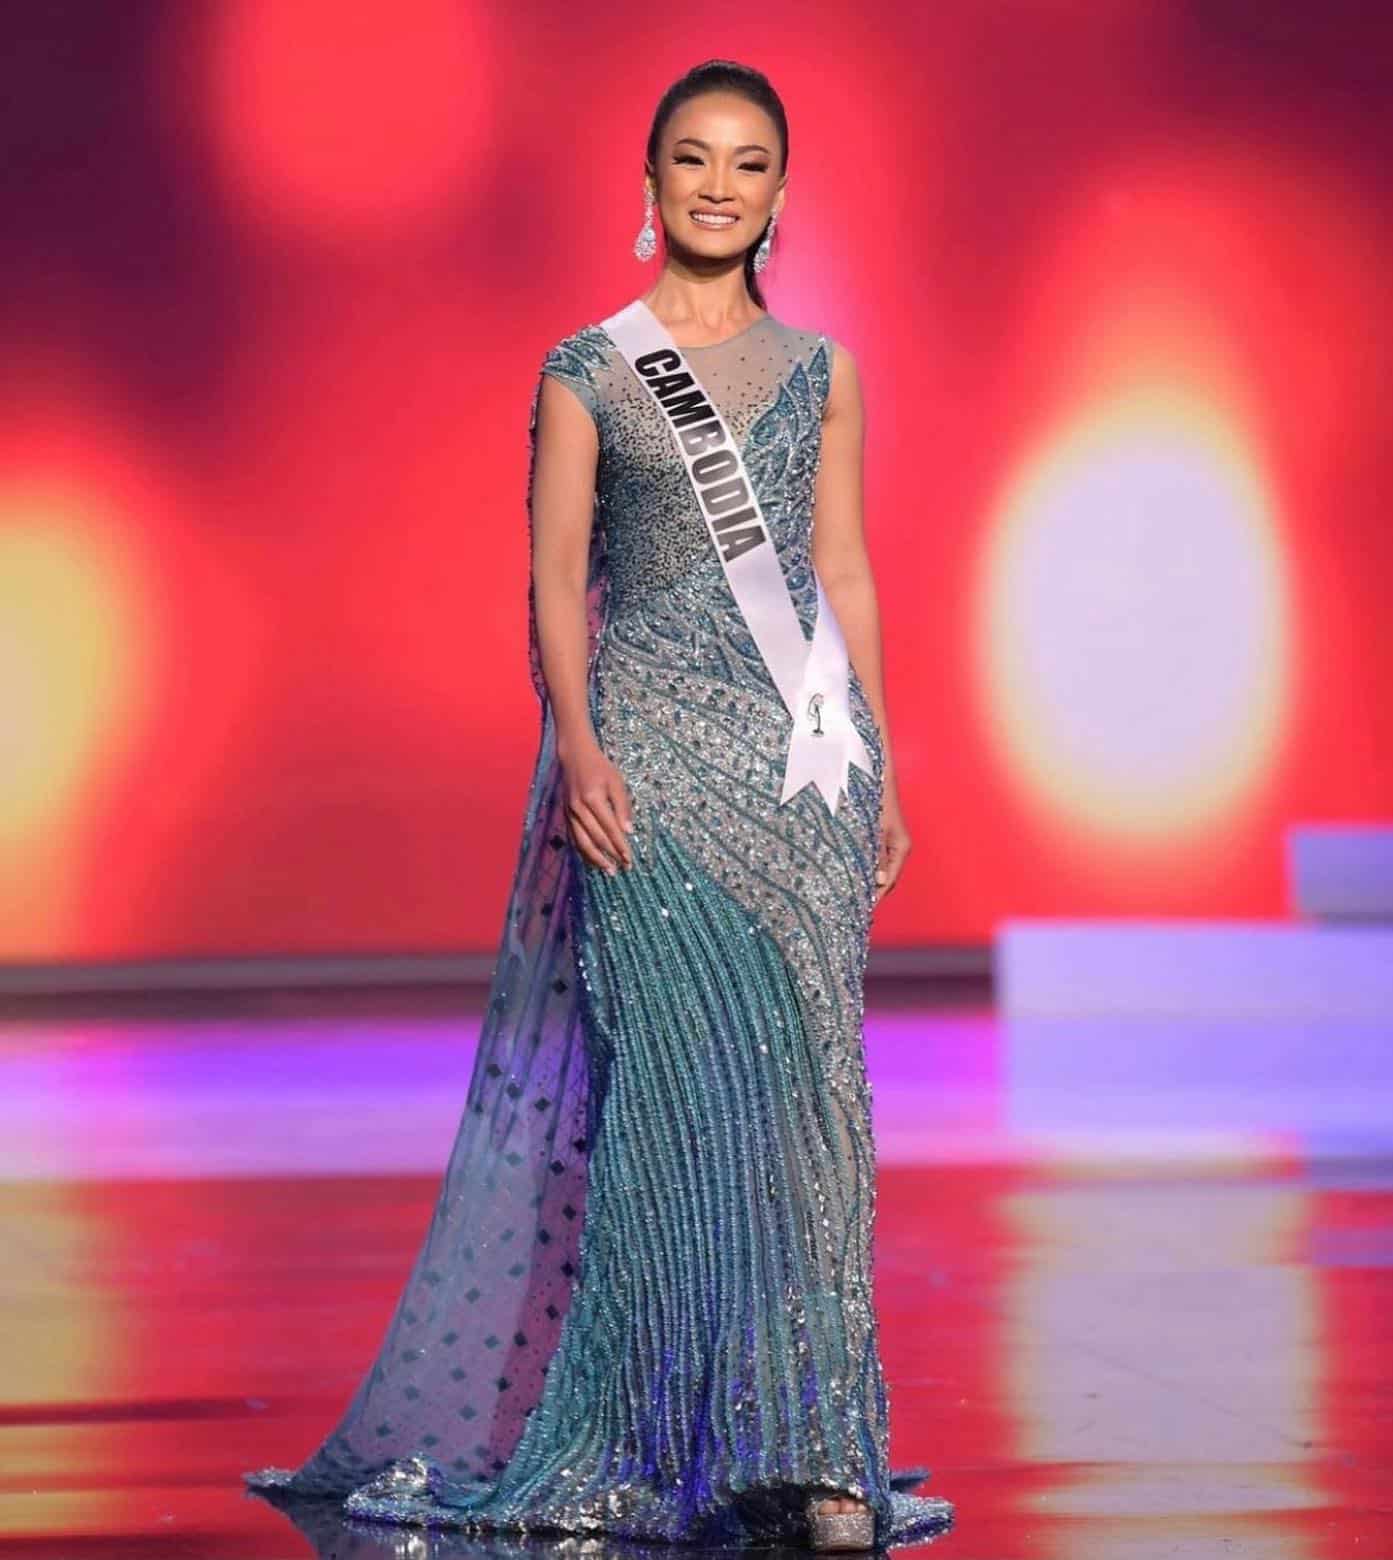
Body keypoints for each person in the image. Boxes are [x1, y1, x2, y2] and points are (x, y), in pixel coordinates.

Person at [243, 58, 955, 1552]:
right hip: (645, 762)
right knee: (667, 1109)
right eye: (693, 158)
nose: (718, 185)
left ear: (780, 192)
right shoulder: (588, 370)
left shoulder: (824, 372)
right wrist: (576, 744)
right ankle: (659, 1442)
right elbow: (555, 580)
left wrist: (881, 754)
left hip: (795, 767)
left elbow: (843, 567)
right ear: (650, 185)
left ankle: (817, 1450)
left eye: (748, 162)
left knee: (812, 1109)